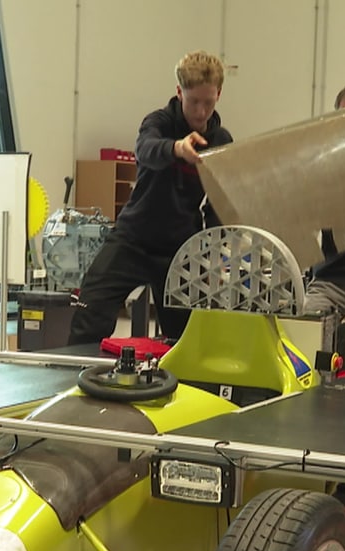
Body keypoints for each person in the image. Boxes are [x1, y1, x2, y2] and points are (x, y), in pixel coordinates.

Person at [67, 51, 234, 346]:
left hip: (180, 250)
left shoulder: (221, 141)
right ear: (179, 91)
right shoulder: (157, 122)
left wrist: (216, 254)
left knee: (183, 341)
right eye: (194, 101)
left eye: (208, 102)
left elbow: (219, 202)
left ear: (219, 94)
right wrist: (177, 149)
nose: (200, 111)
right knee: (88, 316)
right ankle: (71, 380)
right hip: (134, 238)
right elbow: (146, 150)